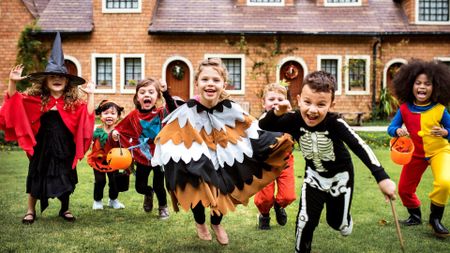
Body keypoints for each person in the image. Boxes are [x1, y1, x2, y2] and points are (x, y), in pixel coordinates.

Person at [151, 58, 293, 245]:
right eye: (205, 79)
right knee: (199, 188)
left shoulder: (231, 108)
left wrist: (277, 133)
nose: (210, 83)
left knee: (223, 190)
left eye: (216, 80)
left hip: (224, 156)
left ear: (223, 84)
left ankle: (216, 223)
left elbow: (252, 127)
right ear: (197, 83)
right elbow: (172, 121)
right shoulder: (187, 110)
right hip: (198, 156)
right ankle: (200, 221)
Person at [259, 71, 396, 253]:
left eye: (321, 104)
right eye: (307, 102)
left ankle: (343, 219)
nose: (313, 110)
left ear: (332, 104)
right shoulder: (293, 119)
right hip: (313, 177)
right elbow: (264, 125)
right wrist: (277, 113)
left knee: (336, 222)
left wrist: (382, 177)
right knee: (304, 221)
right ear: (299, 100)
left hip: (340, 178)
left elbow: (359, 145)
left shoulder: (335, 123)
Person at [0, 32, 95, 224]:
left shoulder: (73, 103)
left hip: (64, 147)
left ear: (67, 81)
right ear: (45, 81)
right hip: (42, 147)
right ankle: (30, 210)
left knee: (65, 176)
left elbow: (88, 116)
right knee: (37, 174)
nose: (56, 79)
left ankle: (65, 209)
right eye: (52, 76)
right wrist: (12, 82)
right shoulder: (36, 100)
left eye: (60, 76)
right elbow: (14, 103)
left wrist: (91, 94)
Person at [387, 59, 450, 238]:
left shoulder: (440, 110)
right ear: (410, 85)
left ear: (436, 87)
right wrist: (397, 130)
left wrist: (445, 131)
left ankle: (435, 219)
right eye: (418, 83)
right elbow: (391, 128)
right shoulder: (405, 109)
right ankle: (415, 216)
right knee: (404, 189)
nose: (422, 87)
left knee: (445, 182)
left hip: (439, 151)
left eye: (427, 84)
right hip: (415, 154)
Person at [110, 78, 174, 219]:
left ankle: (163, 207)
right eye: (142, 92)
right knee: (140, 187)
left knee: (159, 185)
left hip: (159, 156)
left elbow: (173, 108)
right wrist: (115, 133)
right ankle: (148, 193)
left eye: (151, 92)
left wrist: (166, 92)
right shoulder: (134, 116)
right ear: (137, 97)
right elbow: (121, 129)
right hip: (142, 156)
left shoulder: (161, 113)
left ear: (157, 96)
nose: (147, 95)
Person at [255, 83, 296, 230]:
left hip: (285, 161)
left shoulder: (291, 119)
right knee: (264, 198)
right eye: (271, 99)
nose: (276, 103)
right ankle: (264, 214)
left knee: (288, 195)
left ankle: (279, 206)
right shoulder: (261, 121)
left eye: (280, 99)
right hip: (266, 163)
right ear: (264, 102)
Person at [88, 100, 127, 210]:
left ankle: (113, 199)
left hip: (113, 161)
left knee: (114, 181)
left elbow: (123, 146)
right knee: (100, 181)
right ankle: (97, 200)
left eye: (112, 113)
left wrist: (117, 138)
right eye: (106, 113)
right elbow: (90, 141)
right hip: (98, 160)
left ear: (118, 116)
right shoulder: (96, 130)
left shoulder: (118, 131)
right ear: (100, 115)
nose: (109, 116)